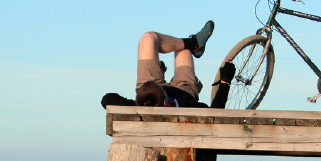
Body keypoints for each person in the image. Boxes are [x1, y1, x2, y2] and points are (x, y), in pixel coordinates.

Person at [101, 20, 235, 109]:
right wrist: (226, 80)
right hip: (183, 90)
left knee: (148, 38)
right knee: (183, 51)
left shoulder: (141, 107)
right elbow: (215, 112)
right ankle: (193, 44)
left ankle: (193, 43)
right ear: (165, 102)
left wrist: (138, 105)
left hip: (149, 94)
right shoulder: (188, 107)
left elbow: (107, 99)